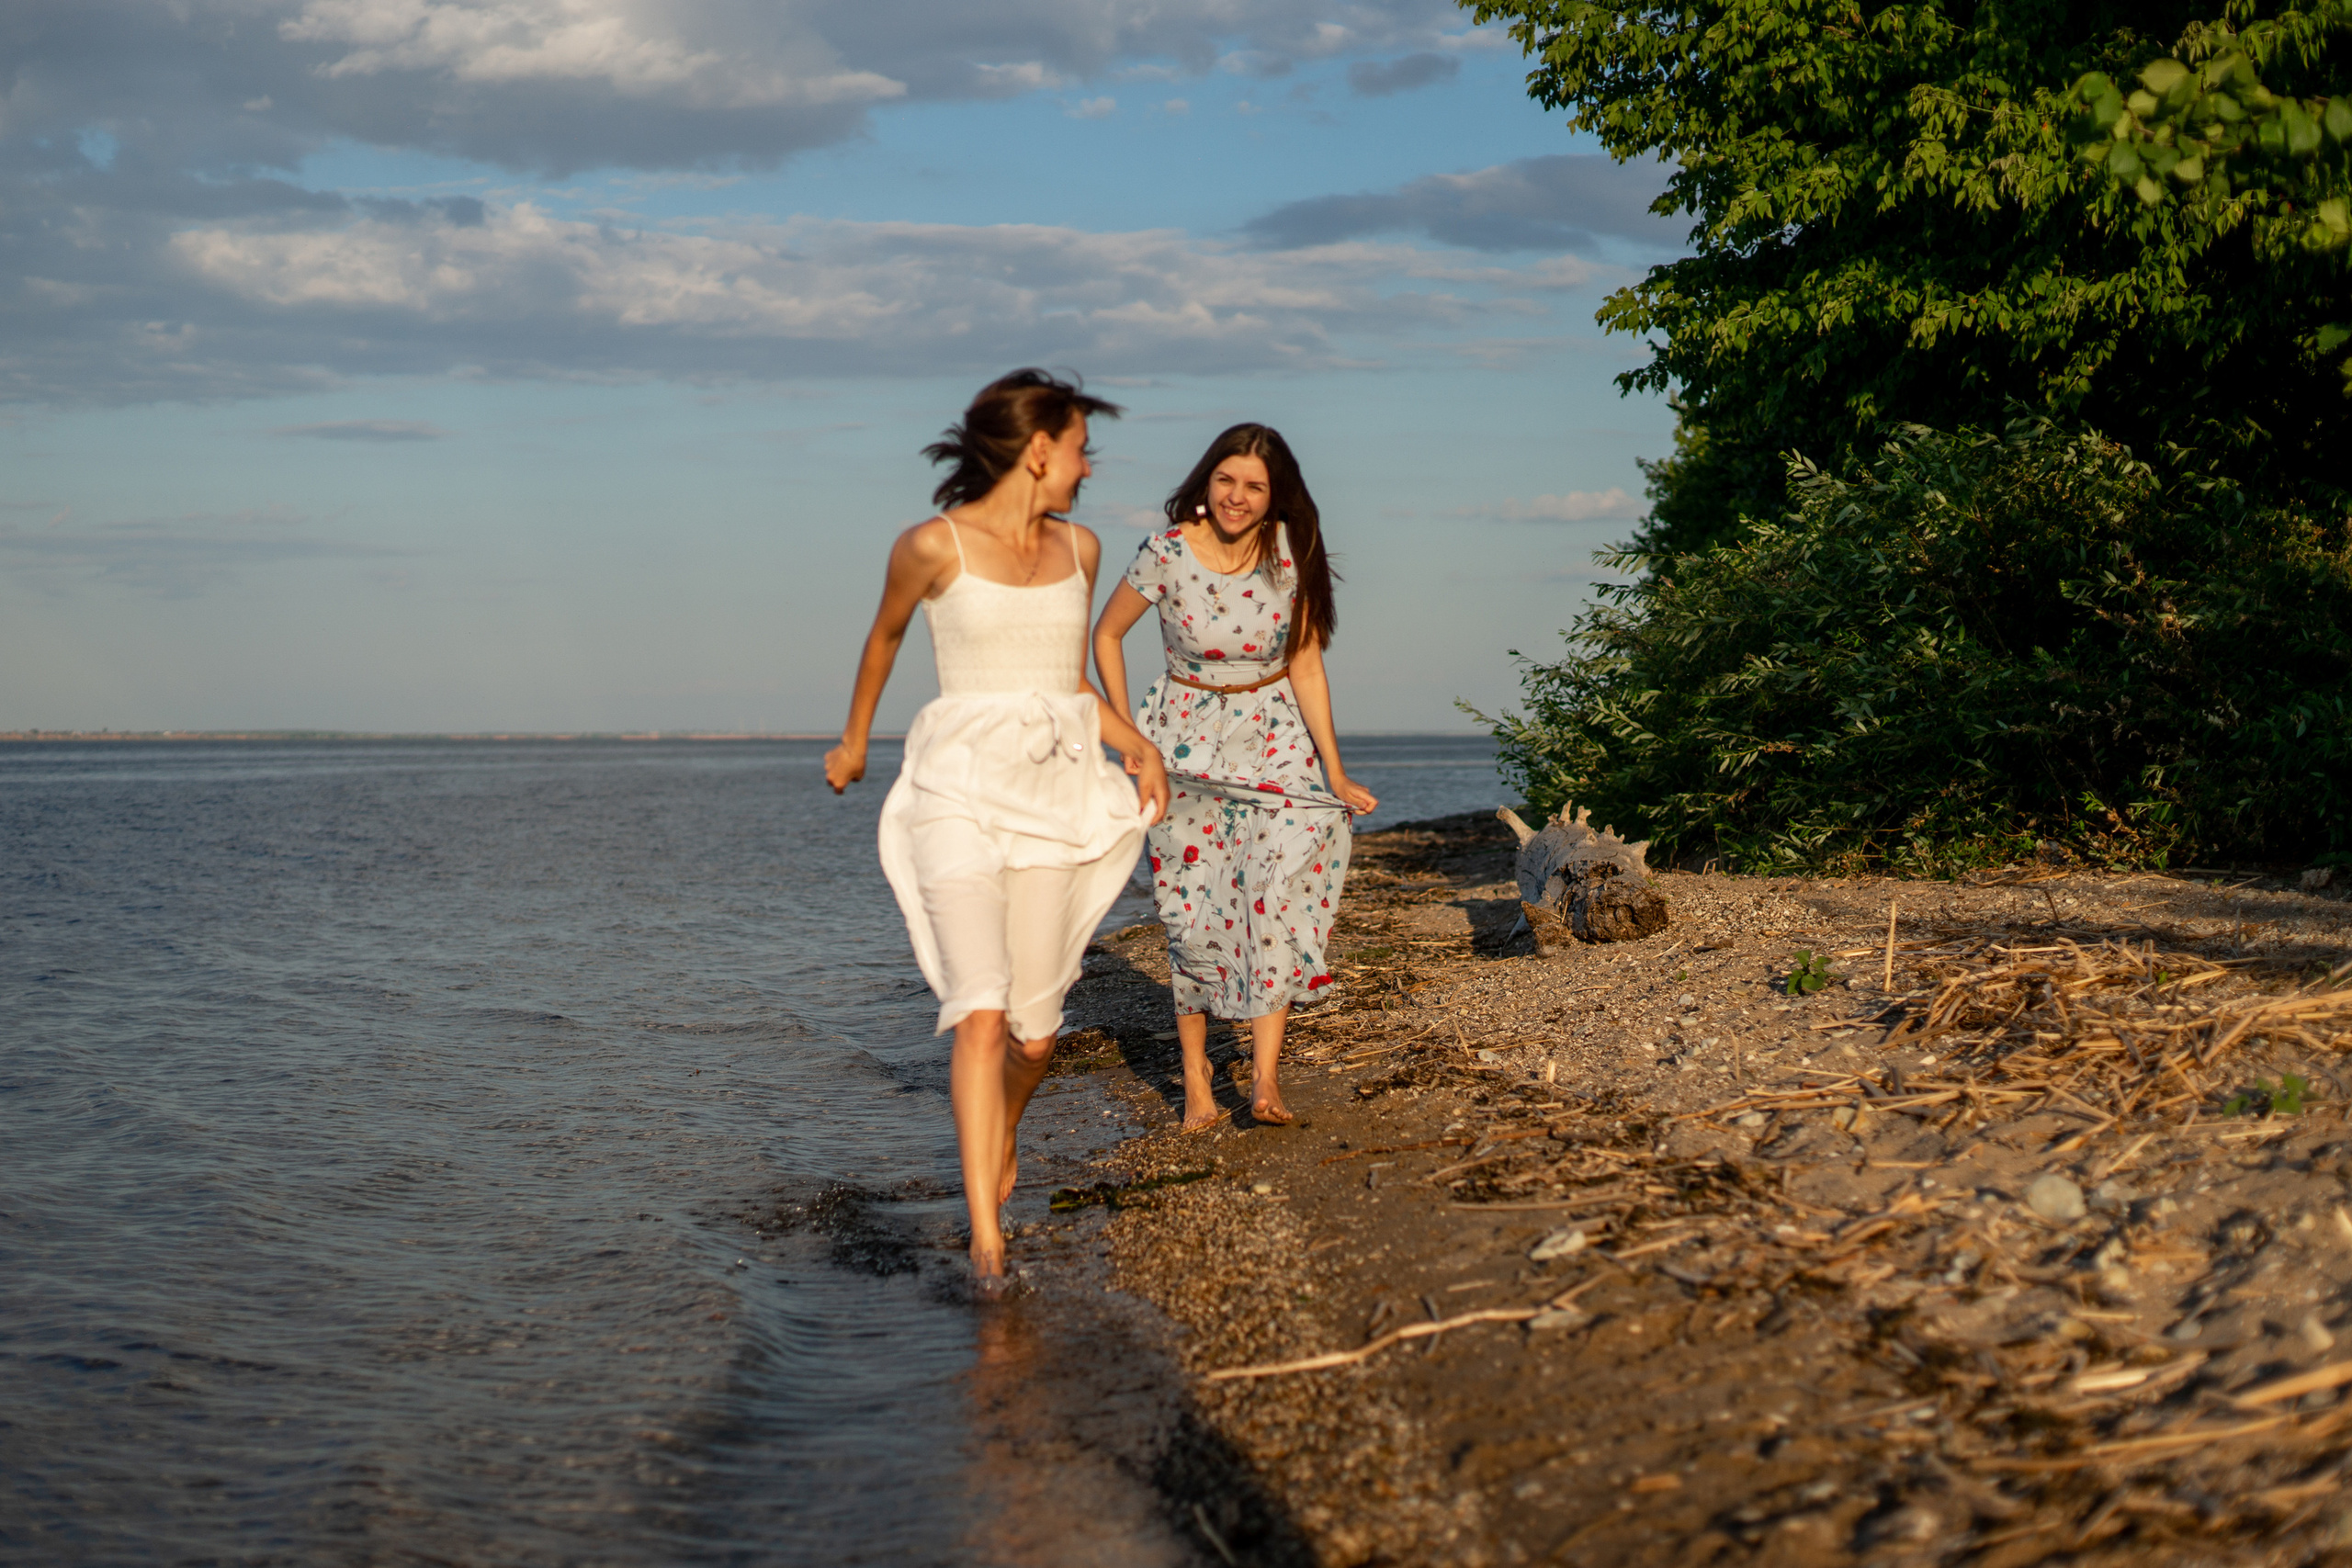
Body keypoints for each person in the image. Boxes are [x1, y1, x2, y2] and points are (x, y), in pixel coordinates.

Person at [825, 369, 1170, 1293]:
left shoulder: (1082, 548)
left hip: (1052, 794)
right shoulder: (930, 545)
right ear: (1039, 449)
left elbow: (1065, 682)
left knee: (1035, 1039)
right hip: (955, 791)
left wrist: (1136, 743)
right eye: (1082, 448)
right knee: (979, 1011)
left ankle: (1002, 1129)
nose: (1090, 467)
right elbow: (885, 638)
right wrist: (856, 740)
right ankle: (987, 1245)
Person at [1091, 423, 1375, 1133]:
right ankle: (1195, 1074)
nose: (1237, 496)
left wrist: (1335, 770)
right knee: (1193, 907)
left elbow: (1305, 662)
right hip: (1182, 744)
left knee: (1272, 892)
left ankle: (1265, 1076)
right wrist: (1129, 738)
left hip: (1273, 736)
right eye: (1226, 480)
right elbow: (1105, 634)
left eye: (1254, 485)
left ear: (1276, 495)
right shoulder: (1165, 552)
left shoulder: (1288, 552)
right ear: (1206, 479)